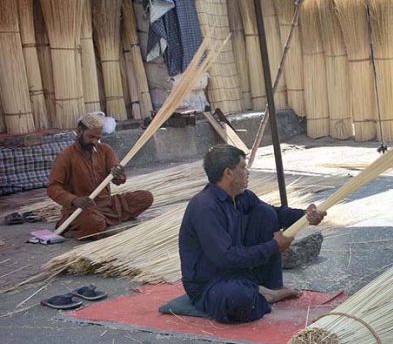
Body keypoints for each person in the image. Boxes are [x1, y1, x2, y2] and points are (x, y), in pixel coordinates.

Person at [179, 145, 326, 323]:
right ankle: (264, 294)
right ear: (228, 173)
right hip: (210, 283)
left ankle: (270, 287)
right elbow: (226, 258)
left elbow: (277, 214)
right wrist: (274, 245)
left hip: (237, 273)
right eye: (242, 167)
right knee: (238, 299)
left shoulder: (243, 196)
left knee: (266, 214)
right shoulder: (205, 207)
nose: (247, 172)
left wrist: (305, 216)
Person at [47, 113, 153, 239]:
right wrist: (74, 200)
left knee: (145, 197)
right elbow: (52, 188)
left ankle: (99, 224)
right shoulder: (65, 156)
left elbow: (119, 178)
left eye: (97, 138)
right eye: (90, 137)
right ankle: (82, 225)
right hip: (82, 209)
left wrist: (118, 176)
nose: (94, 142)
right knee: (94, 222)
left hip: (108, 205)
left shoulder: (105, 150)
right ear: (79, 131)